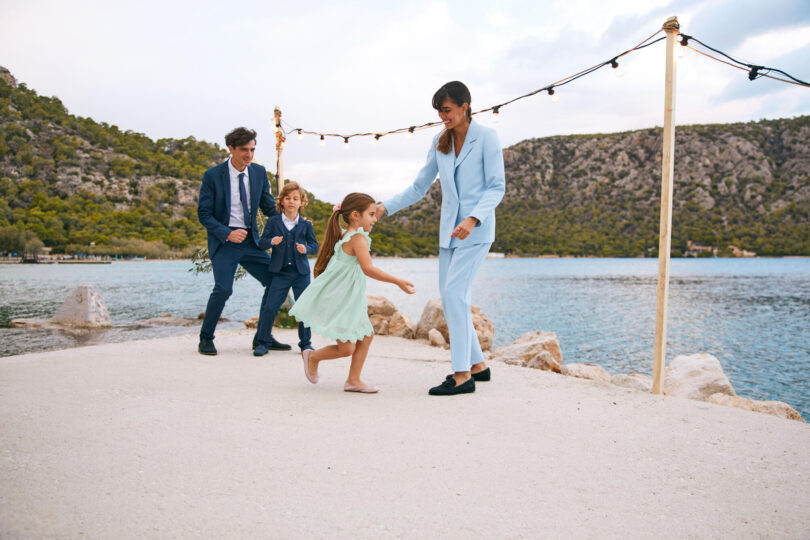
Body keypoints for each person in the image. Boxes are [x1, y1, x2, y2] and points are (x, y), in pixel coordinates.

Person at [377, 81, 505, 396]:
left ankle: (461, 375)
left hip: (476, 231)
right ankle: (478, 365)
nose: (443, 117)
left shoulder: (487, 138)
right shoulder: (439, 141)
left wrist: (473, 219)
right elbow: (419, 187)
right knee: (451, 298)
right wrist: (384, 207)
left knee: (454, 294)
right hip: (448, 235)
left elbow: (496, 187)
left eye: (447, 110)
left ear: (464, 107)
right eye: (439, 112)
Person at [289, 192, 415, 393]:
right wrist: (397, 281)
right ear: (355, 215)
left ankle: (353, 380)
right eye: (371, 214)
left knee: (366, 336)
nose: (375, 219)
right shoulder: (357, 238)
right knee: (347, 348)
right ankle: (313, 356)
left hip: (348, 298)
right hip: (341, 299)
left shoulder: (347, 234)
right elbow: (368, 268)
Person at [196, 127, 290, 355]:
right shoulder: (213, 175)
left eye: (252, 149)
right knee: (223, 289)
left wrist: (291, 221)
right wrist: (226, 233)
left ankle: (263, 337)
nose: (249, 155)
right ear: (231, 148)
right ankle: (205, 338)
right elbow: (204, 214)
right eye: (244, 150)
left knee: (275, 281)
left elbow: (268, 207)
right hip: (225, 242)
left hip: (251, 241)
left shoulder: (259, 173)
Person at [253, 181, 319, 356]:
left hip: (301, 273)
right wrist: (271, 241)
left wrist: (306, 249)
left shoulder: (306, 224)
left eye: (295, 199)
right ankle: (263, 342)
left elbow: (314, 245)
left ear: (302, 202)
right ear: (282, 201)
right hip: (280, 273)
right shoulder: (273, 222)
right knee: (270, 307)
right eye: (288, 198)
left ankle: (305, 343)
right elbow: (261, 243)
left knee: (304, 308)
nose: (291, 201)